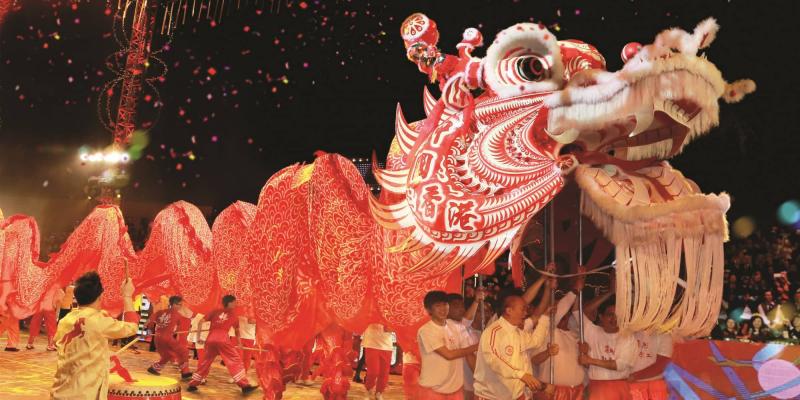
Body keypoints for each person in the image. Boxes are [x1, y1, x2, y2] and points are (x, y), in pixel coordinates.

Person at [50, 272, 139, 399]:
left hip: (60, 392)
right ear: (101, 296)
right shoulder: (98, 320)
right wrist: (127, 296)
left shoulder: (66, 320)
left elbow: (64, 343)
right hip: (84, 395)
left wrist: (100, 353)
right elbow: (132, 326)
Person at [473, 295, 551, 400]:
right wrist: (521, 375)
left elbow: (536, 341)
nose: (525, 313)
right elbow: (494, 360)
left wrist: (545, 318)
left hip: (515, 395)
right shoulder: (493, 332)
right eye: (522, 309)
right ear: (509, 310)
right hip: (491, 396)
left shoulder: (518, 333)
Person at [577, 277, 637, 400]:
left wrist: (590, 360)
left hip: (619, 387)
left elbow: (620, 365)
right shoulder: (593, 331)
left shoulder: (628, 337)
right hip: (596, 387)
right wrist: (610, 292)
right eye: (610, 315)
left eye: (617, 316)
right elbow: (585, 312)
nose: (614, 319)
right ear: (601, 317)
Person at [530, 268, 586, 400]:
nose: (560, 314)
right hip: (552, 392)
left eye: (565, 314)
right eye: (553, 310)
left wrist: (579, 287)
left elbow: (576, 311)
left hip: (576, 392)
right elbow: (534, 360)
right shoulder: (545, 330)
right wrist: (575, 290)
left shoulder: (575, 334)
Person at [186, 295, 258, 394]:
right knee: (235, 361)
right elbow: (237, 331)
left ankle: (192, 384)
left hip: (210, 339)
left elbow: (200, 322)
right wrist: (239, 343)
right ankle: (244, 385)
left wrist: (198, 337)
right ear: (230, 303)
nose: (236, 304)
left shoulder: (215, 311)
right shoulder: (233, 315)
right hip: (223, 339)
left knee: (205, 362)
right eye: (234, 302)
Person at [417, 290, 478, 399]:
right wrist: (477, 346)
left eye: (445, 304)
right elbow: (449, 355)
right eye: (438, 306)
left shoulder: (455, 327)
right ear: (428, 309)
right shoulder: (426, 330)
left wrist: (480, 376)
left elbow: (469, 353)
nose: (443, 309)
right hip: (432, 390)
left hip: (456, 389)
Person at [146, 295, 193, 380]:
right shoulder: (177, 315)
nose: (180, 306)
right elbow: (181, 327)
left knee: (167, 355)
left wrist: (146, 330)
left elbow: (148, 322)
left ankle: (154, 368)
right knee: (184, 351)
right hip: (167, 338)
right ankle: (185, 372)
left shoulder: (160, 312)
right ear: (174, 304)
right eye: (179, 304)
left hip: (157, 338)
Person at [628, 332, 674, 400]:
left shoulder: (664, 335)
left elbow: (661, 364)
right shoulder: (628, 332)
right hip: (631, 386)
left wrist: (634, 376)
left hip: (653, 386)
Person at [362, 323, 395, 400]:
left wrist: (392, 328)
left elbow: (396, 327)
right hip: (371, 344)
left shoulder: (389, 316)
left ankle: (379, 392)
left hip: (386, 346)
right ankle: (369, 389)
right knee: (373, 371)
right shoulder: (370, 315)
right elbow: (362, 322)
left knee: (384, 373)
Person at [27, 284, 65, 350]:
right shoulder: (56, 287)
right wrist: (57, 311)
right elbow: (59, 300)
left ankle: (30, 343)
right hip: (49, 308)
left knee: (35, 324)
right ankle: (50, 345)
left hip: (39, 307)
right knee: (51, 326)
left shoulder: (41, 285)